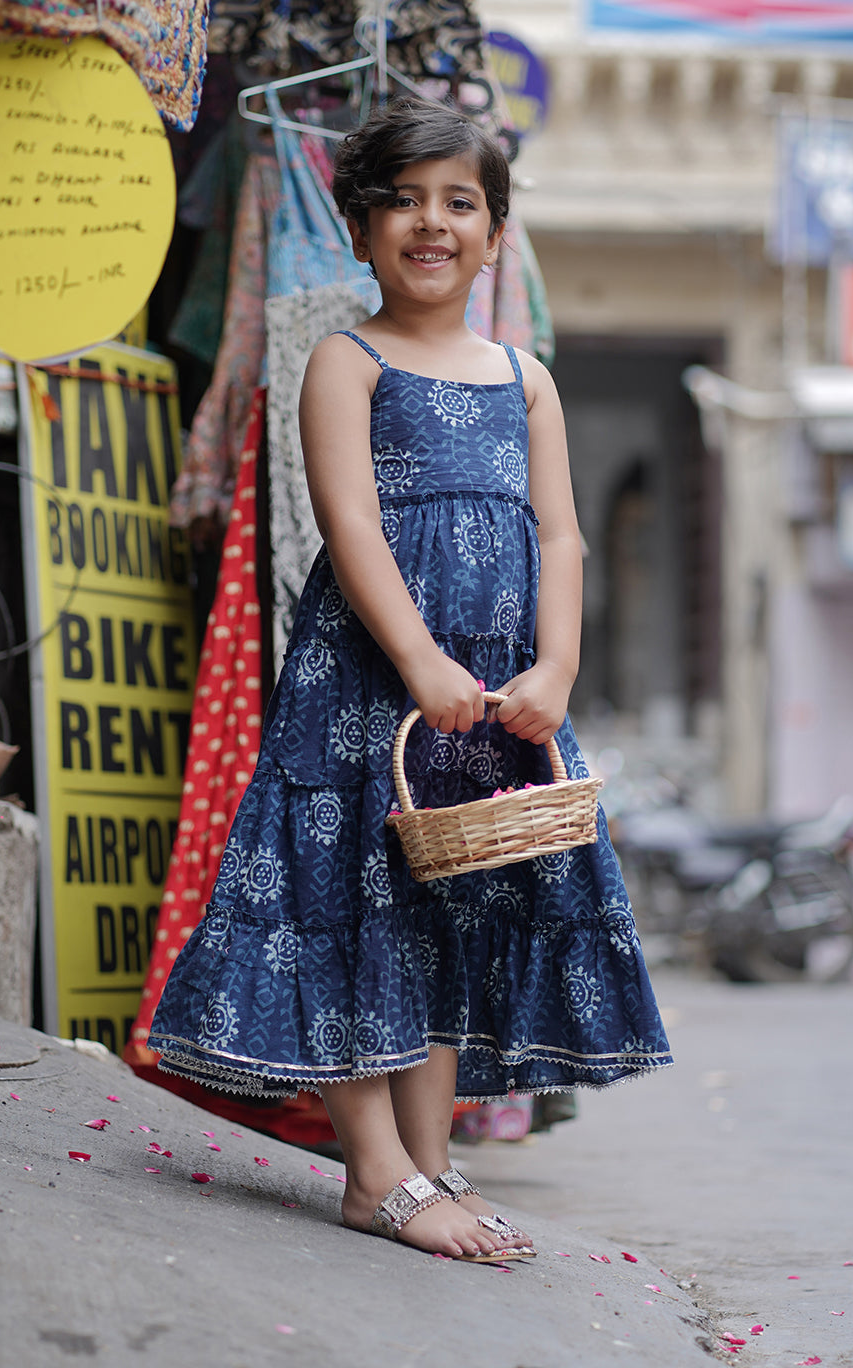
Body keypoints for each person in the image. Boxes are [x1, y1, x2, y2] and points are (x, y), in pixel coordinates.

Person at [148, 97, 672, 1262]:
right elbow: (350, 524)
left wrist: (557, 668)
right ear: (358, 227)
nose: (431, 223)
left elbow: (563, 538)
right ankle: (372, 1171)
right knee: (350, 902)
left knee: (449, 911)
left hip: (492, 698)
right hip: (366, 690)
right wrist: (421, 660)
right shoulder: (349, 358)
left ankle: (431, 1163)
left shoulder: (523, 376)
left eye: (460, 203)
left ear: (495, 235)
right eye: (403, 200)